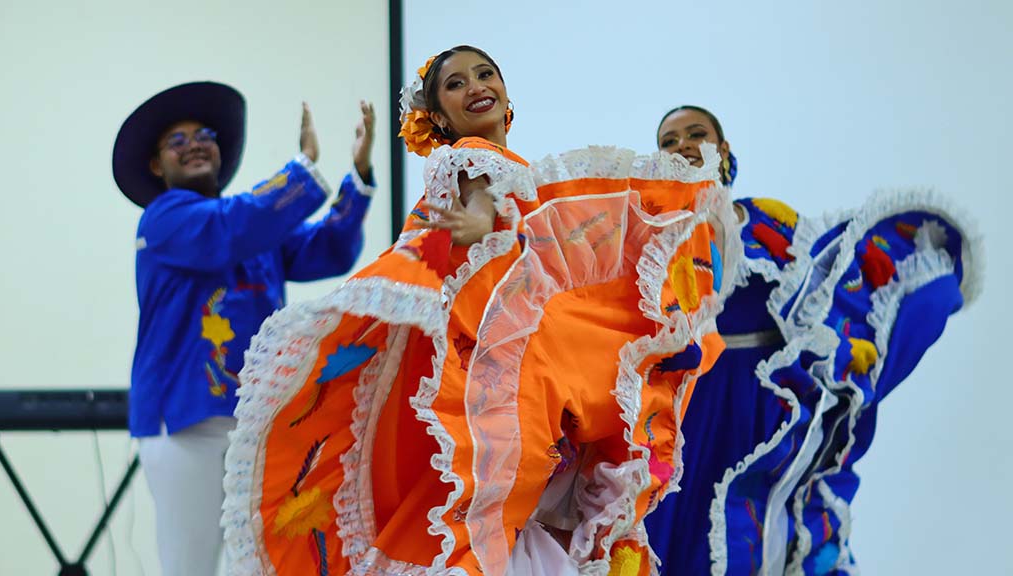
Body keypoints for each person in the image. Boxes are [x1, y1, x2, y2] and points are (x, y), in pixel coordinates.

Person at [221, 47, 739, 576]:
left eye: (485, 74)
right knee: (508, 510)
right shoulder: (465, 156)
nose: (475, 85)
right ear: (439, 118)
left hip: (521, 351)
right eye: (456, 83)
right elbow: (480, 200)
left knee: (522, 515)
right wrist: (477, 225)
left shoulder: (524, 174)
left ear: (507, 95)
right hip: (500, 357)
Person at [643, 105, 980, 575]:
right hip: (681, 411)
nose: (681, 144)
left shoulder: (767, 221)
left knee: (754, 532)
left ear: (723, 150)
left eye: (695, 133)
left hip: (759, 403)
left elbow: (830, 284)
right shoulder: (645, 241)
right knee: (664, 536)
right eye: (669, 140)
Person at [111, 81, 377, 576]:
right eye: (176, 139)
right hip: (185, 423)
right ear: (156, 166)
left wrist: (357, 177)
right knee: (188, 566)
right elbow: (231, 227)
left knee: (258, 563)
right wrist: (303, 169)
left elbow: (329, 250)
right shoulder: (164, 220)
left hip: (255, 421)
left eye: (204, 133)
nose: (194, 142)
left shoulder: (254, 225)